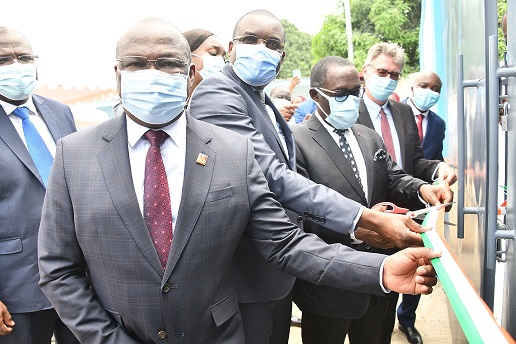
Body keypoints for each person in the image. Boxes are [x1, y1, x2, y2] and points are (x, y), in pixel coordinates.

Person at [37, 17, 442, 344]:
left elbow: (286, 243)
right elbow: (58, 269)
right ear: (118, 73)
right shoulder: (74, 155)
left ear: (190, 74)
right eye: (137, 64)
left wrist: (380, 270)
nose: (153, 73)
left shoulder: (232, 151)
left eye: (168, 63)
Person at [189, 10, 449, 344]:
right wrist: (366, 221)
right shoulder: (219, 93)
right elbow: (275, 178)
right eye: (251, 40)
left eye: (272, 44)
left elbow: (394, 175)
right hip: (255, 275)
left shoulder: (261, 99)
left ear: (281, 57)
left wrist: (420, 190)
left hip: (282, 271)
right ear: (232, 46)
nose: (261, 49)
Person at [290, 56, 453, 344]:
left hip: (381, 278)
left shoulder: (369, 136)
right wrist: (355, 230)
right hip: (330, 284)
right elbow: (297, 211)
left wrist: (422, 190)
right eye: (341, 94)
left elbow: (393, 178)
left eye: (356, 91)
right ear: (316, 95)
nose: (352, 99)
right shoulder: (297, 141)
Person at [357, 42, 457, 344]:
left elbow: (412, 163)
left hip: (409, 215)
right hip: (365, 223)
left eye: (394, 74)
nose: (387, 79)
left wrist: (438, 169)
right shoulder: (348, 112)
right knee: (356, 301)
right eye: (382, 71)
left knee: (389, 302)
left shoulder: (402, 113)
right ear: (365, 72)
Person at [0, 27, 79, 343]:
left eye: (24, 57)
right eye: (4, 58)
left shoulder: (59, 111)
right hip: (15, 289)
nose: (17, 65)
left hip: (77, 283)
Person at [395, 71, 446, 344]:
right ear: (412, 87)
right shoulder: (396, 113)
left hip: (421, 202)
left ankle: (407, 320)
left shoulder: (438, 124)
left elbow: (432, 160)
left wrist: (442, 170)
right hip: (388, 201)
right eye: (424, 86)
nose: (430, 91)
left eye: (436, 88)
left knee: (418, 263)